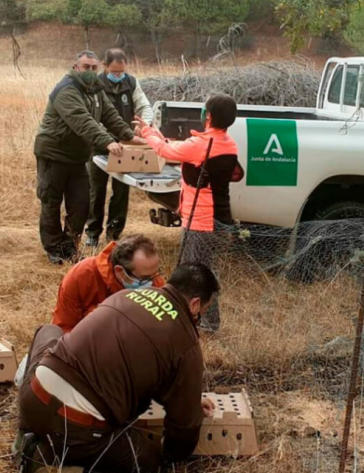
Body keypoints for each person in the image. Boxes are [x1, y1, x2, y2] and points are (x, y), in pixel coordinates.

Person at [16, 263, 220, 473]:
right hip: (77, 427)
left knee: (49, 331)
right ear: (195, 304)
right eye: (202, 311)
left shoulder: (125, 296)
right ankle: (46, 459)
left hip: (32, 399)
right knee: (147, 462)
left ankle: (26, 429)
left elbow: (129, 364)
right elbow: (184, 426)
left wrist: (189, 399)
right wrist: (172, 456)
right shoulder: (185, 342)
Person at [133, 94, 241, 333]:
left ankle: (203, 325)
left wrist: (147, 132)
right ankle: (201, 322)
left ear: (208, 116)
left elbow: (164, 150)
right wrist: (155, 134)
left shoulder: (202, 145)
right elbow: (176, 148)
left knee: (196, 277)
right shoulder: (227, 143)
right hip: (221, 221)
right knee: (206, 272)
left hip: (201, 223)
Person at [34, 50, 145, 265]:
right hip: (53, 153)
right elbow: (82, 120)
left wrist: (129, 136)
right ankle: (54, 250)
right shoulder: (66, 89)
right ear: (76, 66)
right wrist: (107, 141)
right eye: (86, 67)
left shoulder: (95, 89)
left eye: (94, 67)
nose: (91, 71)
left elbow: (109, 114)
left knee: (81, 205)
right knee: (51, 202)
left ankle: (70, 248)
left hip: (77, 157)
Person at [85, 48, 154, 247]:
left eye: (121, 71)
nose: (118, 75)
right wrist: (105, 139)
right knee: (95, 191)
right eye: (114, 72)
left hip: (125, 145)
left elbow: (144, 106)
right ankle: (92, 233)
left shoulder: (131, 82)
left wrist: (144, 124)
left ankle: (113, 234)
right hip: (99, 145)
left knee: (121, 191)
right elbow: (89, 117)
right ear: (105, 67)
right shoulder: (94, 85)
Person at [51, 233, 165, 333]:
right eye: (144, 278)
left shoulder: (155, 282)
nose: (152, 283)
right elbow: (63, 328)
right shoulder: (81, 276)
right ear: (120, 271)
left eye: (155, 275)